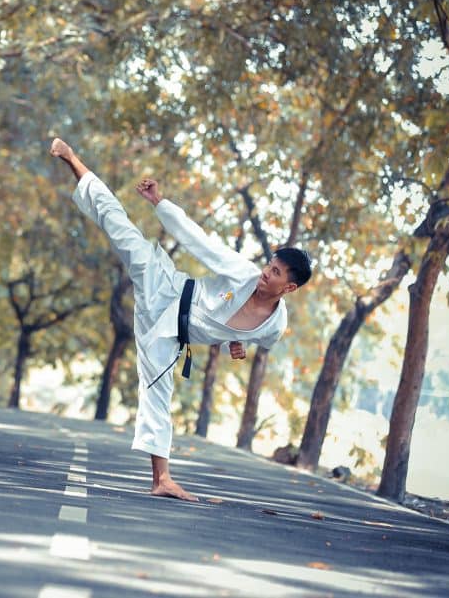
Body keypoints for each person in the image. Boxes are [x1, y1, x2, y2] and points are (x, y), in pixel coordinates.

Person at [49, 137, 312, 502]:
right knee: (121, 228)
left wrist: (238, 342)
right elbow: (200, 241)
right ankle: (73, 159)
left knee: (158, 389)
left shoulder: (274, 328)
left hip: (172, 332)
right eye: (271, 265)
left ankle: (162, 479)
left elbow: (251, 338)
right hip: (168, 287)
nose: (268, 273)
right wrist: (160, 203)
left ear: (291, 287)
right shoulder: (243, 273)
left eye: (278, 273)